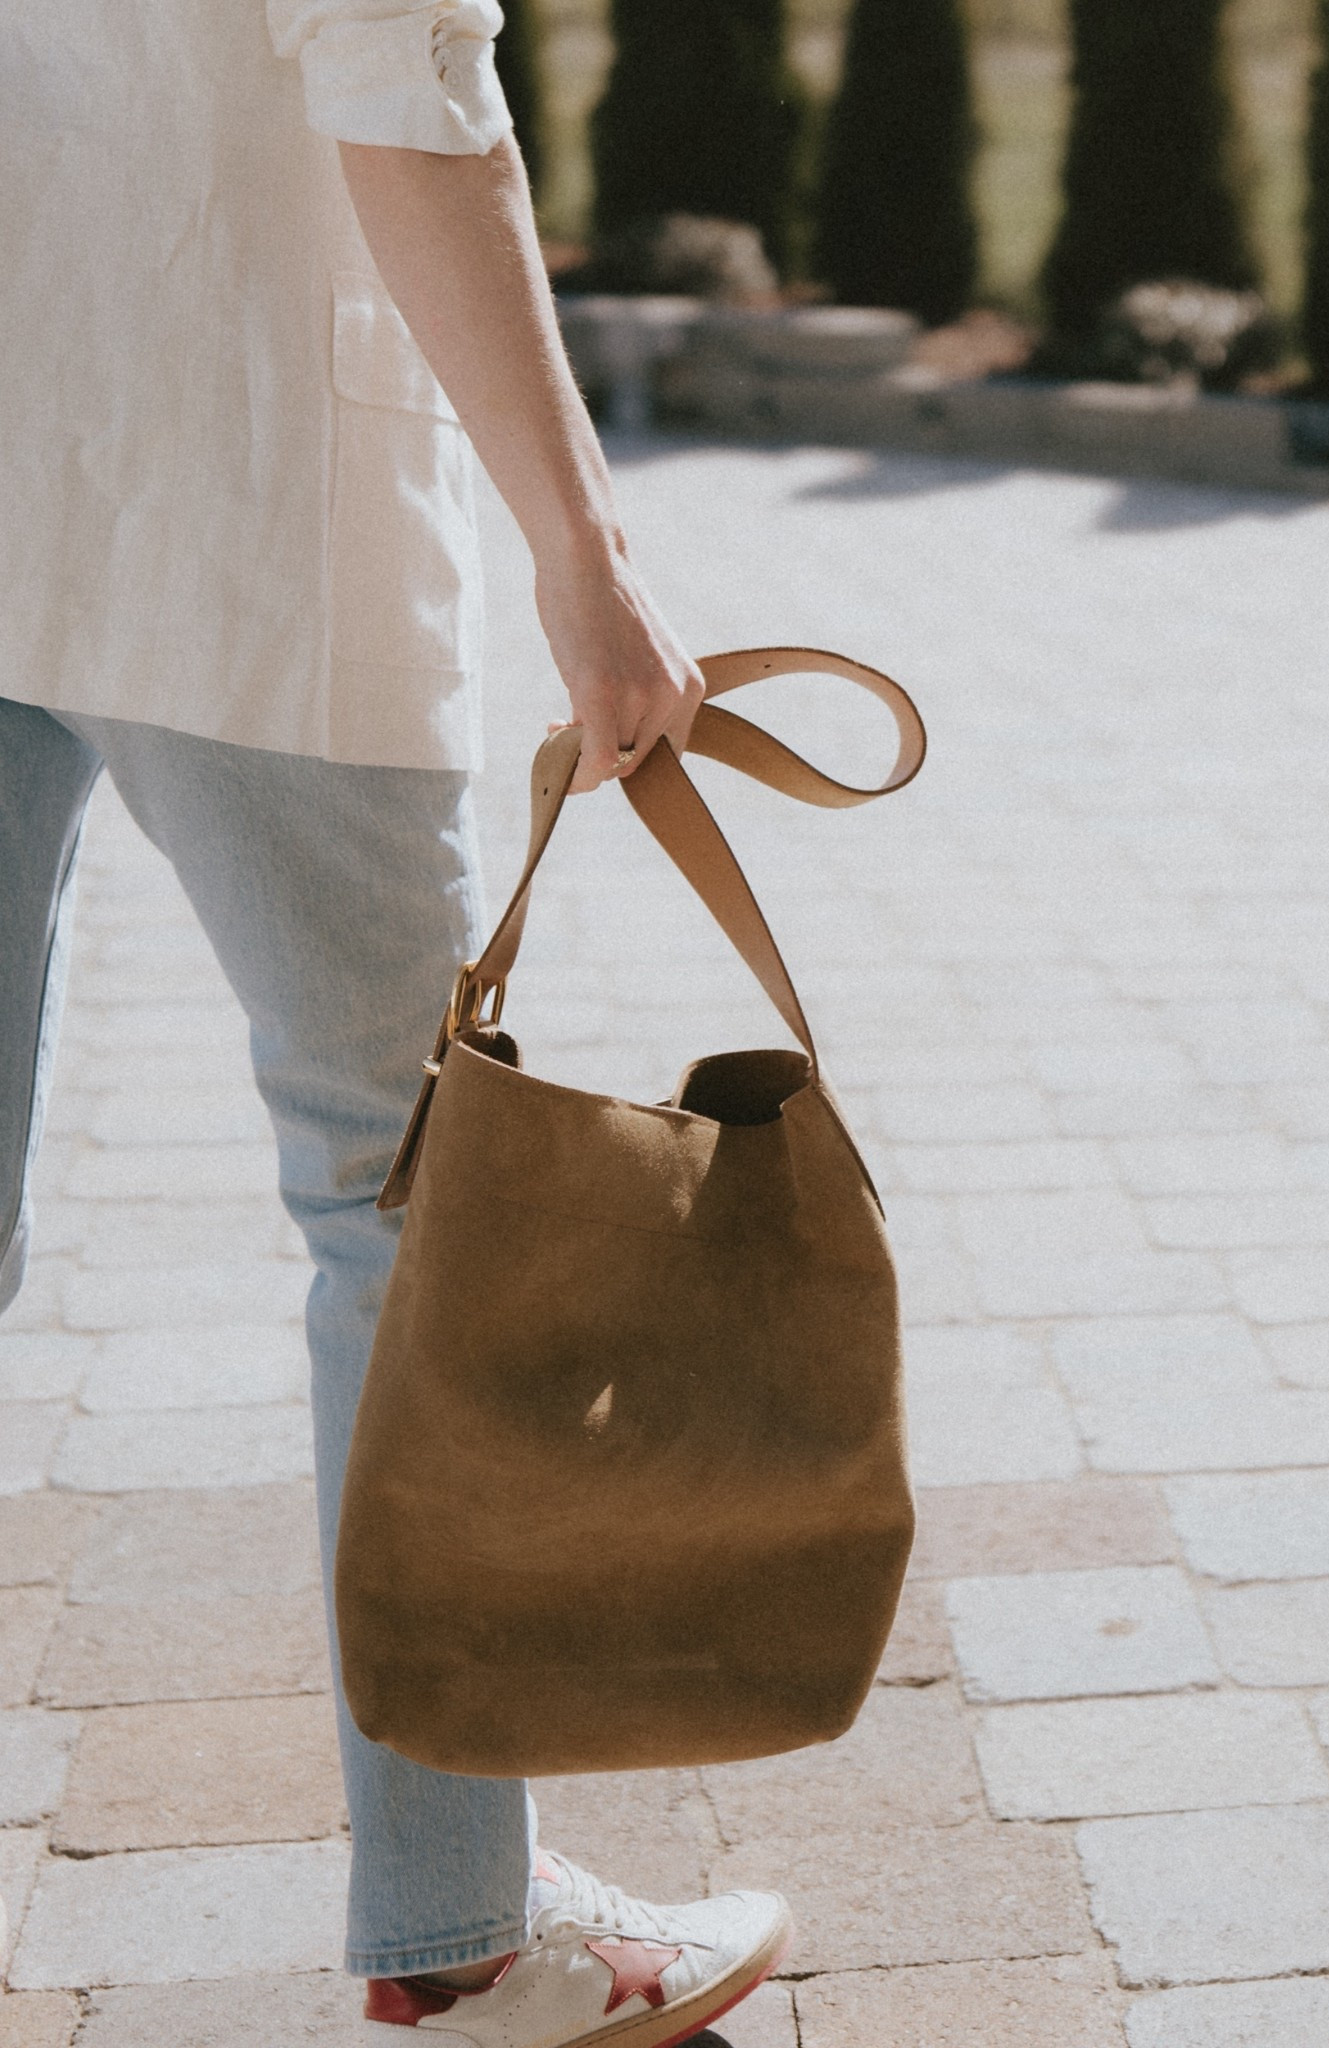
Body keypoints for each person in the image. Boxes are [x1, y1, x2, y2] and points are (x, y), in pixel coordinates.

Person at [0, 2, 791, 2037]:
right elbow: (402, 93)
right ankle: (460, 1930)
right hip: (238, 499)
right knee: (412, 1200)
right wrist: (582, 547)